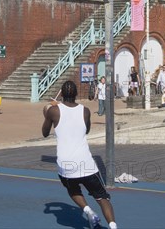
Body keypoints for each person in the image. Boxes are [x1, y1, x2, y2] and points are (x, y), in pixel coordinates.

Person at [42, 80, 118, 229]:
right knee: (102, 197)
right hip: (85, 163)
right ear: (76, 94)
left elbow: (44, 133)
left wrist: (46, 113)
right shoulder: (85, 111)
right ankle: (113, 226)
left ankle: (88, 211)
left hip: (66, 164)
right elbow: (87, 130)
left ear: (62, 94)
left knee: (73, 190)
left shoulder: (54, 111)